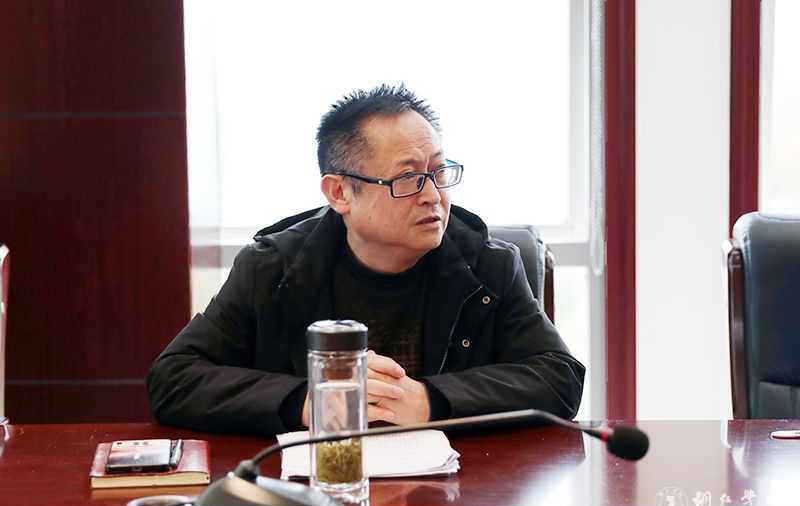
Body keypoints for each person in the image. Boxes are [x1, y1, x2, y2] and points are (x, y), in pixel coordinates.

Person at [146, 84, 585, 435]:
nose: (433, 196)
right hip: (311, 492)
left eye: (438, 172)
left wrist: (430, 401)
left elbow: (559, 376)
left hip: (456, 491)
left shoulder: (487, 264)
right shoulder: (273, 268)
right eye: (408, 178)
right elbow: (173, 379)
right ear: (339, 193)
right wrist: (308, 401)